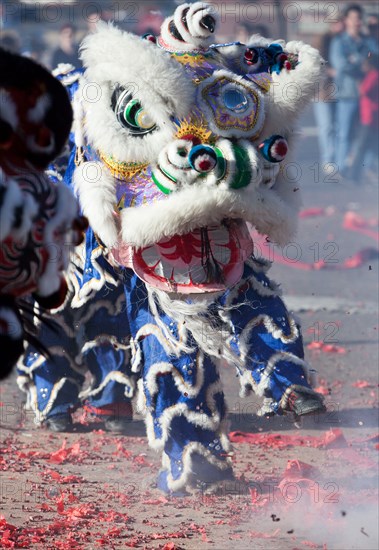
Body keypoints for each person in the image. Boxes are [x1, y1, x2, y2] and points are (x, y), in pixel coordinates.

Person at [329, 4, 378, 178]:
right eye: (353, 18)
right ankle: (342, 167)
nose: (357, 22)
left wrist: (358, 60)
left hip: (367, 96)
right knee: (345, 132)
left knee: (369, 133)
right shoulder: (339, 42)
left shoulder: (368, 42)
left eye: (359, 18)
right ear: (346, 21)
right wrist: (361, 62)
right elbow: (340, 65)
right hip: (347, 94)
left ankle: (368, 168)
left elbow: (375, 58)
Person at [313, 17, 344, 172]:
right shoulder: (323, 39)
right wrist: (330, 71)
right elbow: (316, 62)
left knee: (339, 126)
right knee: (326, 126)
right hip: (323, 91)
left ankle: (338, 159)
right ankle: (328, 160)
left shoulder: (344, 39)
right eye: (338, 22)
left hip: (340, 90)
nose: (340, 25)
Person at [348, 53, 379, 183]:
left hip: (369, 117)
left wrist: (359, 81)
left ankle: (354, 176)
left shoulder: (373, 76)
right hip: (372, 117)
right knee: (372, 147)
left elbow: (364, 90)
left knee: (362, 148)